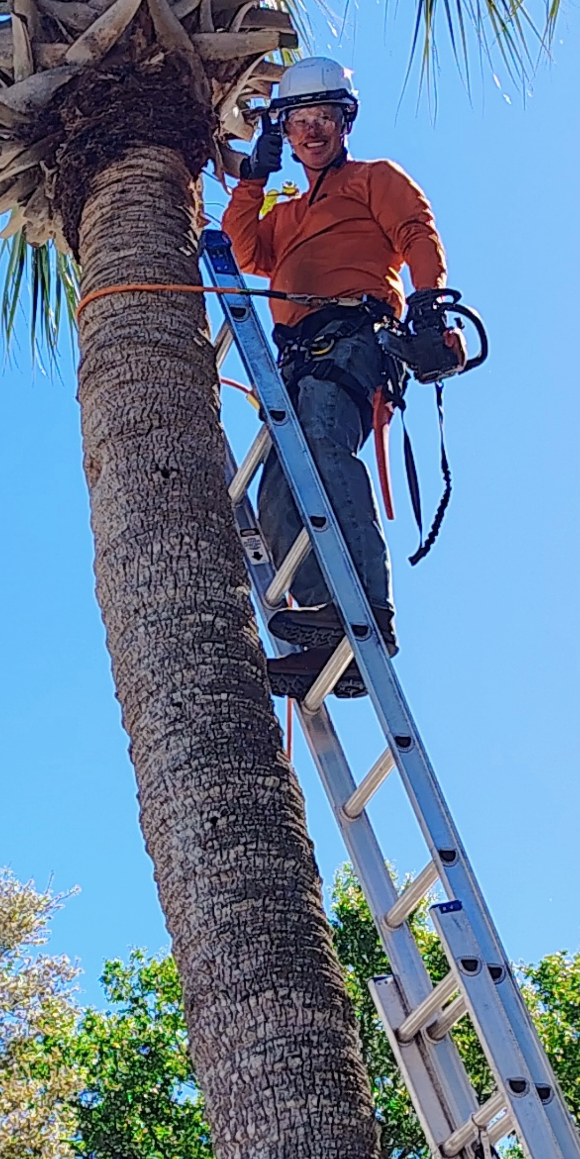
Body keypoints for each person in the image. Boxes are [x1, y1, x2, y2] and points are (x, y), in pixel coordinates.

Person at [221, 56, 454, 698]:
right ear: (286, 131)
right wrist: (255, 175)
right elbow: (246, 250)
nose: (313, 131)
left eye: (325, 117)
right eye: (300, 120)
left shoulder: (373, 179)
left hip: (352, 339)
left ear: (345, 122)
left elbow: (416, 232)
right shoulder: (289, 213)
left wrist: (431, 306)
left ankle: (367, 611)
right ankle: (327, 628)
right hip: (296, 358)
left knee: (324, 441)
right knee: (276, 493)